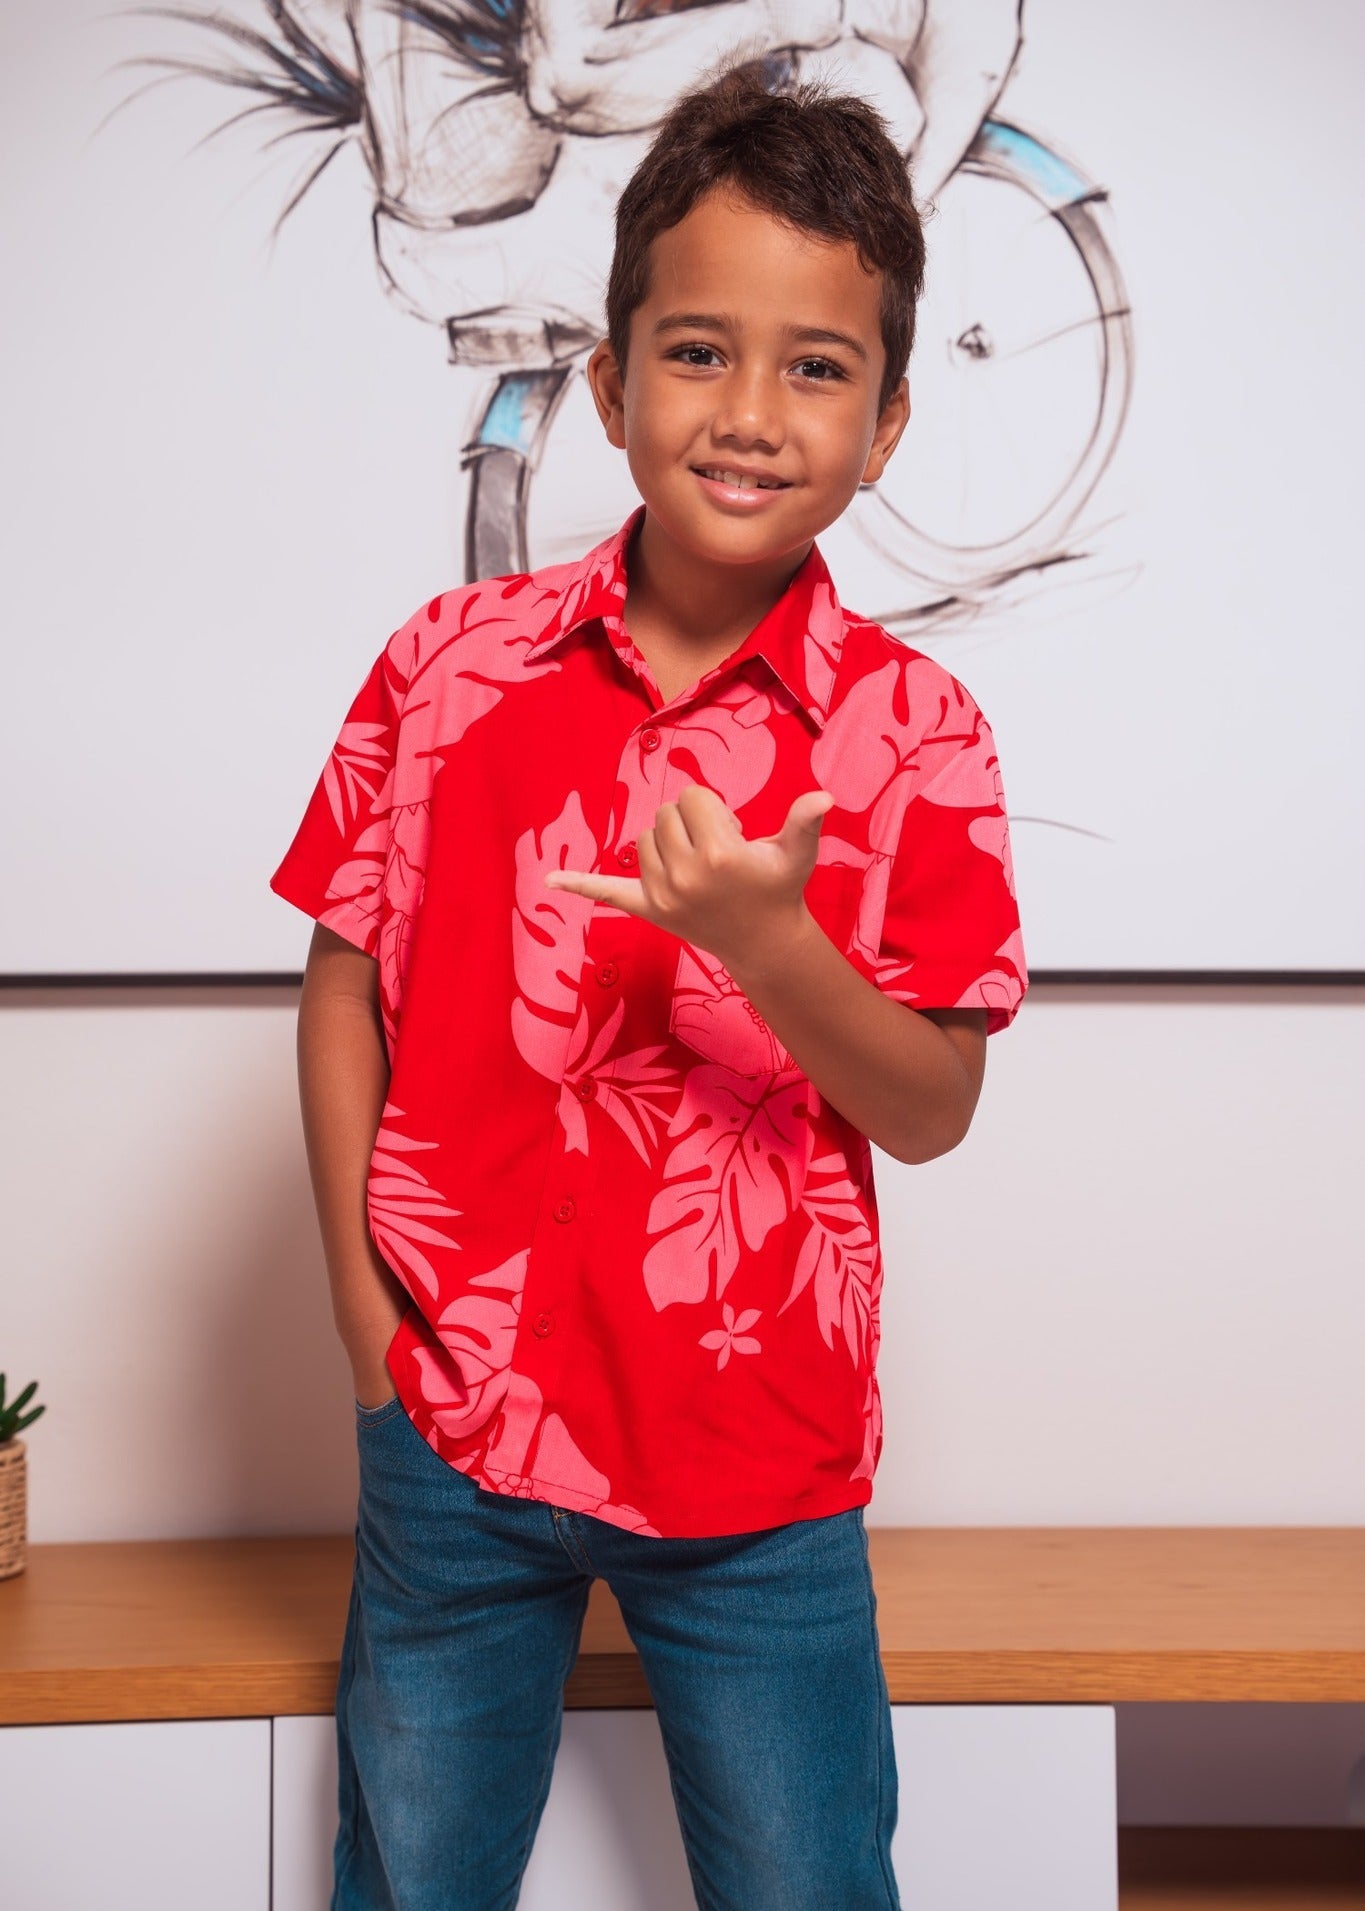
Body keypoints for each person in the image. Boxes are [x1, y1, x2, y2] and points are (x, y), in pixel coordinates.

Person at [270, 54, 1027, 1911]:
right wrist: (372, 1331)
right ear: (608, 384)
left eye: (815, 367)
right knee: (410, 1879)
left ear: (888, 422)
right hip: (455, 1430)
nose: (748, 414)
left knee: (806, 1883)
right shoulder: (447, 667)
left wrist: (771, 947)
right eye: (696, 352)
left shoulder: (918, 734)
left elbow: (931, 1110)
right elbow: (344, 980)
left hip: (755, 1463)